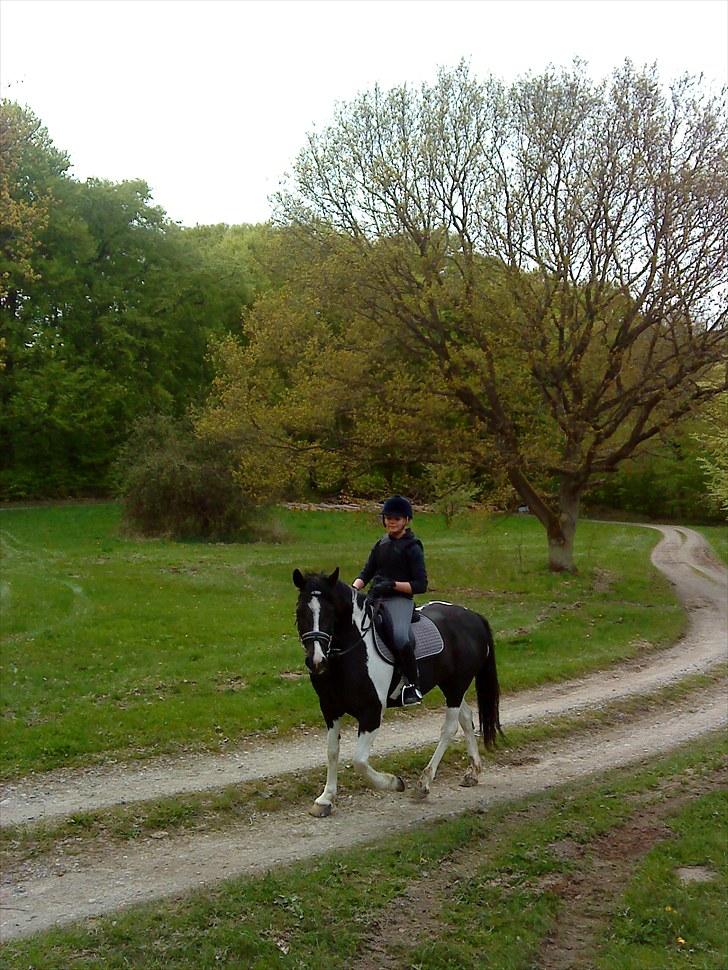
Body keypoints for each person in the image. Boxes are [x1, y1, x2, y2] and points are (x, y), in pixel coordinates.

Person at [352, 495, 428, 706]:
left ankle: (412, 684)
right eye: (388, 518)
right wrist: (353, 589)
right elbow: (366, 573)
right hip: (376, 597)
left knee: (401, 637)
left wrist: (393, 585)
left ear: (406, 520)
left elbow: (420, 584)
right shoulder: (381, 544)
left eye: (396, 518)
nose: (392, 522)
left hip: (399, 600)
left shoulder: (413, 547)